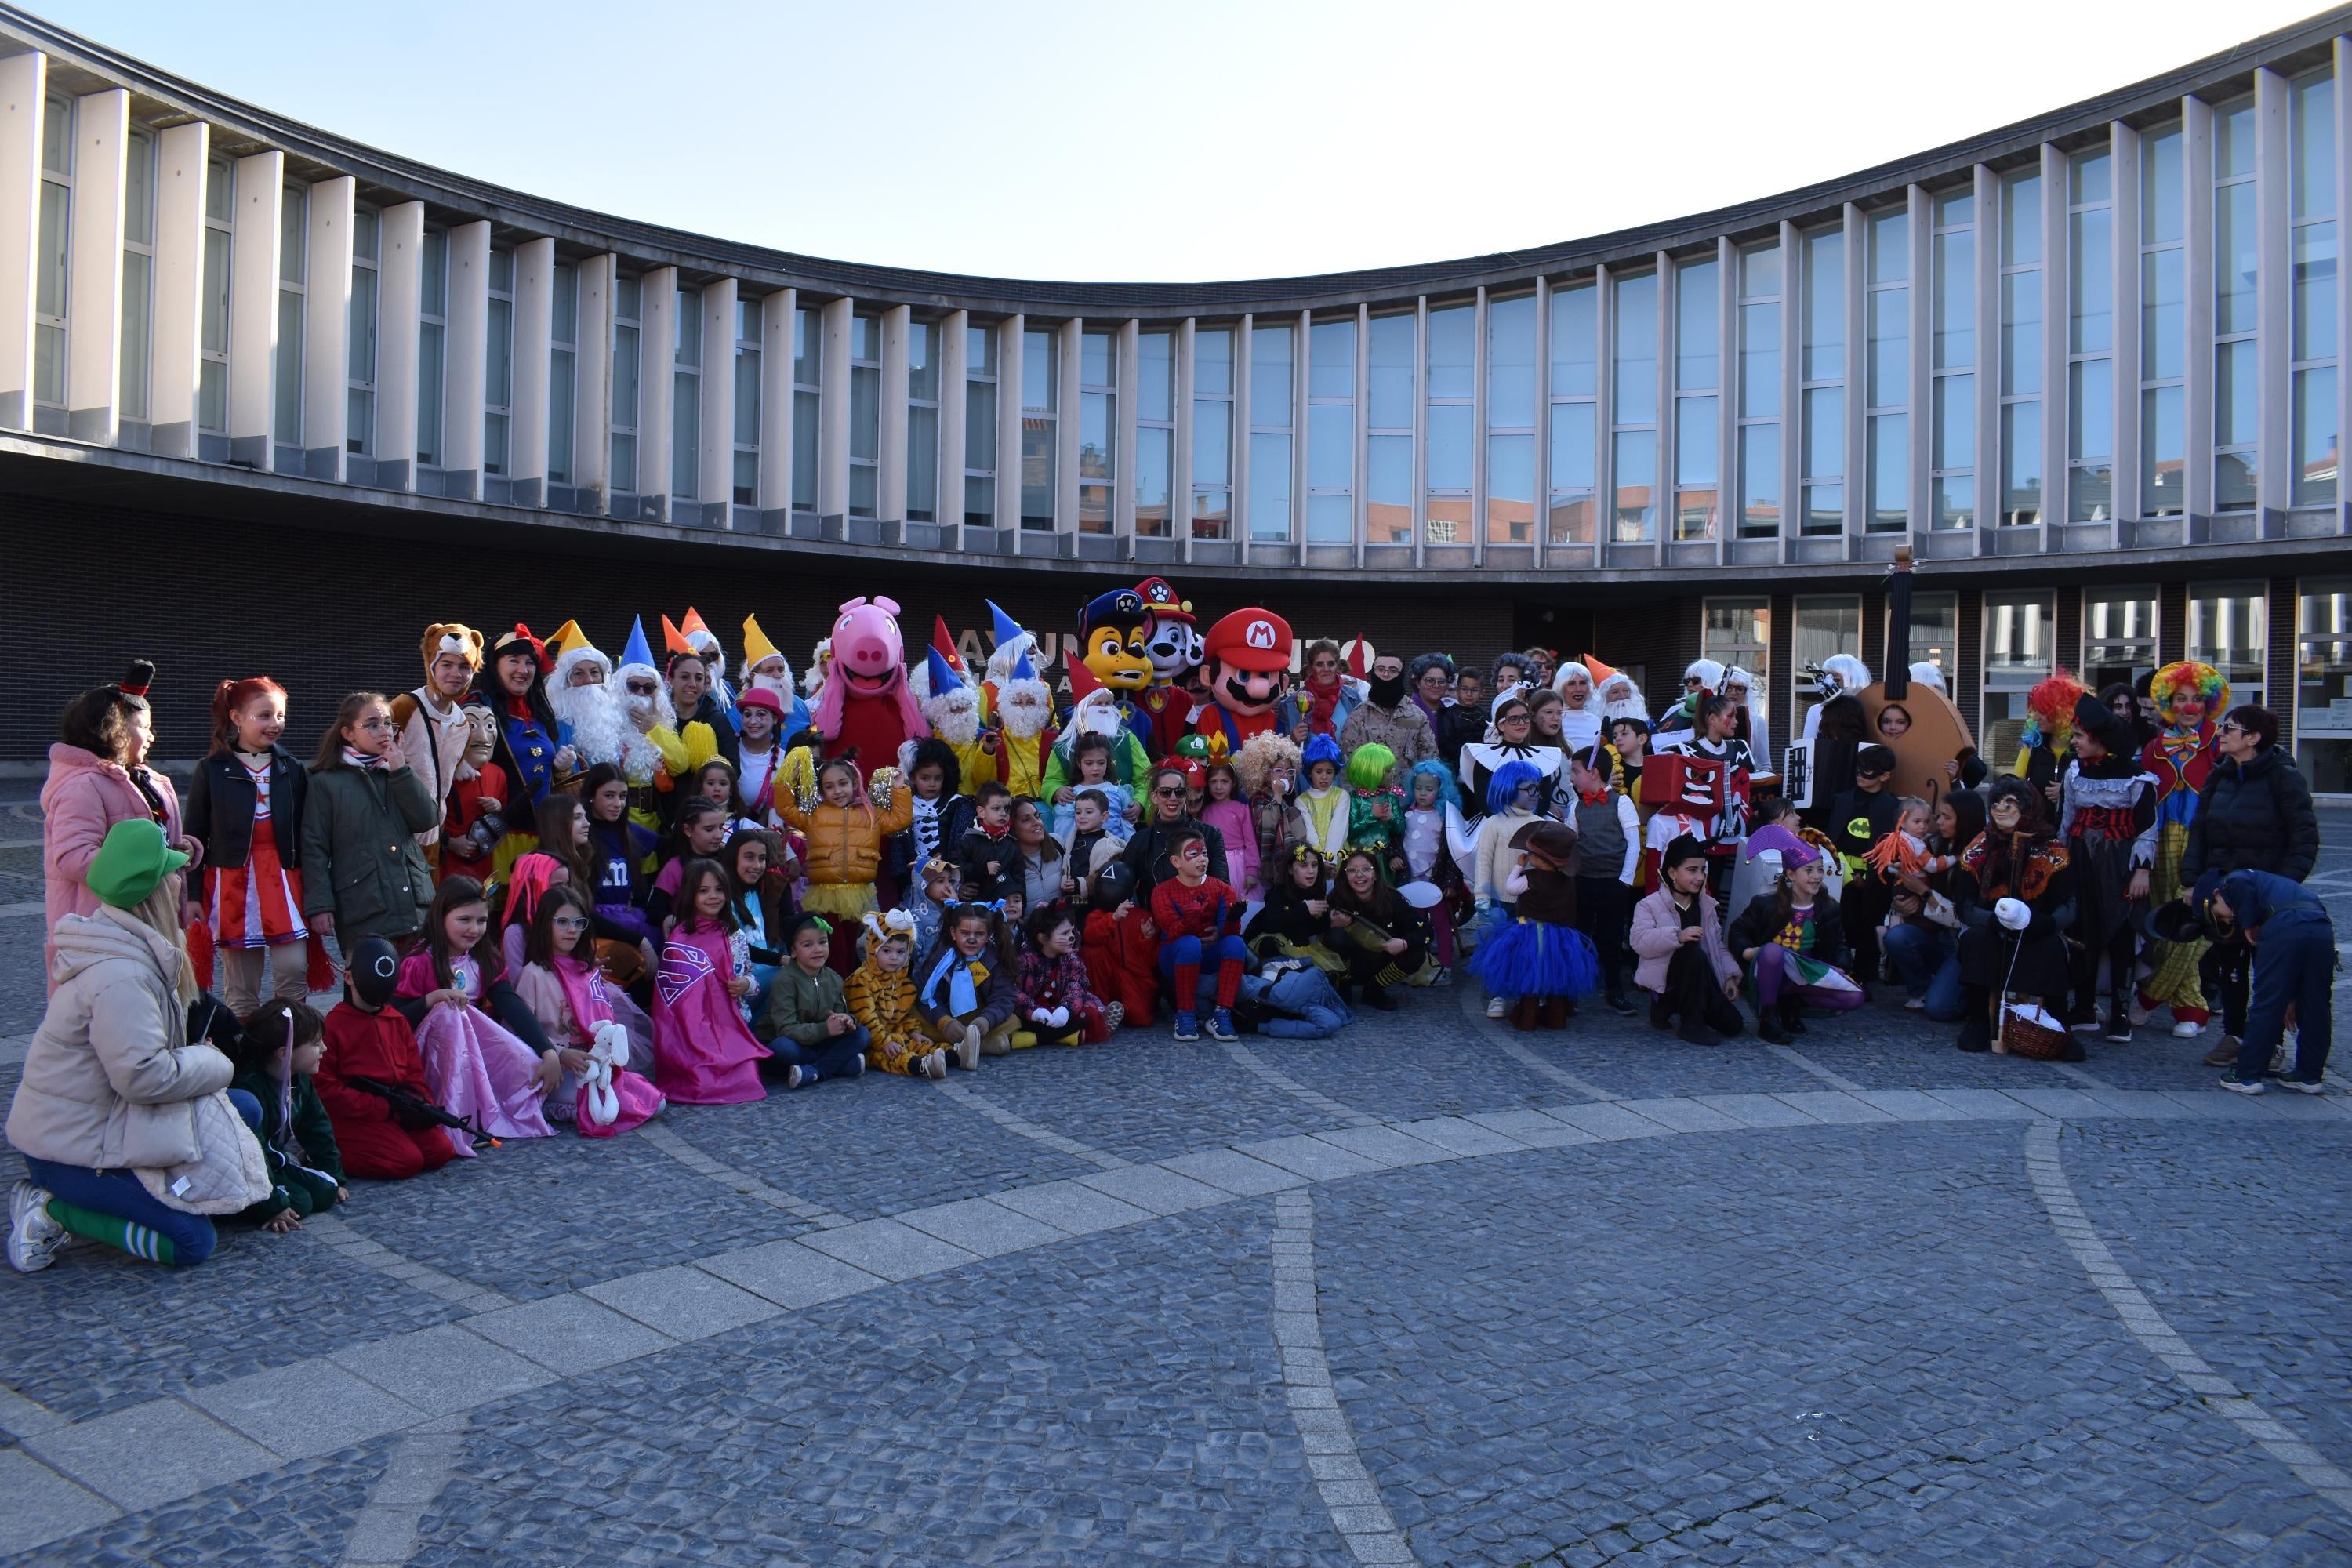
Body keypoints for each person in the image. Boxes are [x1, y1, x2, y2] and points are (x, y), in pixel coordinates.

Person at [8, 820, 263, 1272]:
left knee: (245, 1108)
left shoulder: (136, 948)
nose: (179, 881)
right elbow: (145, 1076)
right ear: (154, 892)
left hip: (116, 1122)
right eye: (172, 874)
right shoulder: (122, 977)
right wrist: (214, 1060)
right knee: (191, 1242)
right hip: (74, 1151)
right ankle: (48, 1207)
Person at [42, 660, 200, 990]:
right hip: (100, 932)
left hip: (153, 922)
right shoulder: (83, 785)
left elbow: (157, 841)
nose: (153, 736)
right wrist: (156, 865)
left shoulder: (151, 781)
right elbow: (74, 857)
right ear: (112, 728)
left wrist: (181, 849)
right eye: (144, 726)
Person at [2180, 703, 2321, 1068]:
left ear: (2254, 738)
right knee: (2230, 967)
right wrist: (2193, 881)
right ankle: (2235, 1033)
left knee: (2268, 970)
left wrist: (2280, 891)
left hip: (2266, 893)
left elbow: (2304, 839)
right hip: (2223, 891)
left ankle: (2270, 1042)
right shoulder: (2220, 774)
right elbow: (2200, 830)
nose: (2221, 733)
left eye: (2230, 728)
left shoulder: (2284, 778)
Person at [392, 877, 558, 1146]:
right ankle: (457, 1115)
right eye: (464, 920)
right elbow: (395, 1021)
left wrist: (546, 1050)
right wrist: (431, 1000)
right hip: (424, 1056)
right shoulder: (420, 960)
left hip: (471, 1048)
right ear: (441, 916)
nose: (474, 929)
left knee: (529, 1063)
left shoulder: (484, 959)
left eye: (481, 921)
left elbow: (510, 1003)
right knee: (451, 1012)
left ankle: (486, 1109)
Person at [190, 676, 317, 1014]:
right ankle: (246, 1059)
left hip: (286, 880)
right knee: (241, 986)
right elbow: (194, 838)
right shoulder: (212, 769)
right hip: (233, 883)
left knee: (293, 969)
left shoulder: (292, 768)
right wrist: (191, 895)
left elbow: (310, 834)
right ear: (236, 718)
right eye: (264, 716)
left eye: (280, 716)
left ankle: (291, 1050)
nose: (275, 724)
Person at [510, 885, 663, 1134]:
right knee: (597, 1106)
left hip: (593, 1063)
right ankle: (549, 1105)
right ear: (544, 924)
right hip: (557, 1066)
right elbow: (519, 1033)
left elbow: (600, 1018)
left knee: (656, 1103)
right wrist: (559, 1054)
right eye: (562, 922)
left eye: (578, 922)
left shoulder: (587, 969)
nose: (571, 930)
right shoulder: (534, 974)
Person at [301, 691, 440, 955]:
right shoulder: (325, 782)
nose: (384, 731)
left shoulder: (397, 771)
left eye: (388, 723)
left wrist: (401, 771)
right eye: (373, 724)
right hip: (364, 904)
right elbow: (314, 847)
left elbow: (426, 820)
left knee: (419, 984)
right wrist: (320, 906)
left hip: (415, 900)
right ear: (348, 733)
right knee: (370, 983)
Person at [314, 936, 461, 1180]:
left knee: (440, 1151)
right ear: (348, 977)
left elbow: (414, 1072)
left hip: (394, 1109)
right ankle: (326, 1153)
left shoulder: (396, 1020)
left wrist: (419, 1104)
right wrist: (380, 1108)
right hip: (356, 1115)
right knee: (406, 1161)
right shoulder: (335, 1025)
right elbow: (326, 1088)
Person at [2056, 695, 2158, 1043]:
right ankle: (2084, 1008)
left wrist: (2142, 870)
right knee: (2082, 929)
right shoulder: (2074, 771)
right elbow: (2067, 819)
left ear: (2100, 740)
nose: (2074, 741)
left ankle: (2120, 1012)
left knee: (2121, 931)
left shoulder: (2137, 778)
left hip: (2120, 862)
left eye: (2079, 736)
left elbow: (2146, 828)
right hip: (2082, 858)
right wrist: (2059, 859)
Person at [1954, 778, 2077, 1055]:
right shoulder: (1980, 847)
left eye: (2010, 803)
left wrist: (2046, 923)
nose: (2000, 809)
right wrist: (1990, 920)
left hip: (2037, 929)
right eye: (1996, 803)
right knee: (1976, 940)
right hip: (1992, 927)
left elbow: (2069, 903)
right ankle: (1979, 1021)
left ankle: (2057, 1024)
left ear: (2028, 807)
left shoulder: (2052, 848)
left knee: (2052, 948)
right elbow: (1963, 903)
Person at [2137, 660, 2227, 1037]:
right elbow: (2143, 804)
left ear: (2207, 704)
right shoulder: (2154, 747)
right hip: (2161, 840)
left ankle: (2148, 995)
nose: (2189, 707)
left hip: (2202, 840)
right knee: (2167, 919)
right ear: (2168, 703)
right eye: (2180, 699)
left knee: (2199, 917)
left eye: (2195, 699)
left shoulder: (2221, 744)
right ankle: (2192, 1008)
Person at [2194, 870, 2333, 1095]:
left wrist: (2249, 924)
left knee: (2266, 1005)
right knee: (2317, 1005)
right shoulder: (2274, 883)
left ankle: (2247, 1076)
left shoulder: (2232, 881)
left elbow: (2239, 883)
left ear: (2216, 896)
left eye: (2218, 915)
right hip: (2321, 927)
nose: (2228, 920)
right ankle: (2310, 1076)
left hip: (2285, 928)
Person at [776, 753, 914, 972]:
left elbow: (900, 820)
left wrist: (899, 788)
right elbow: (785, 809)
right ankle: (837, 989)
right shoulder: (814, 814)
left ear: (855, 783)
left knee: (859, 946)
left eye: (843, 784)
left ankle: (853, 991)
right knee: (835, 946)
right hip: (826, 893)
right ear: (821, 790)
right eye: (829, 787)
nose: (837, 791)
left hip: (861, 892)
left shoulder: (870, 814)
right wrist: (788, 780)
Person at [1727, 826, 1864, 1044]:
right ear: (1791, 874)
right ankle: (1768, 1018)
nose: (1817, 876)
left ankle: (1792, 1005)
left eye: (1820, 870)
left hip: (1803, 974)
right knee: (1773, 951)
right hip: (1767, 972)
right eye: (1808, 870)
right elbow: (1738, 930)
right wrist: (1747, 951)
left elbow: (1840, 944)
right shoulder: (1766, 903)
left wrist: (1840, 965)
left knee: (1855, 996)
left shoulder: (1829, 909)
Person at [651, 858, 771, 1103]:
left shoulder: (734, 935)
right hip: (690, 1033)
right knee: (701, 1082)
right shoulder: (679, 937)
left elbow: (751, 978)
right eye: (703, 891)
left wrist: (746, 984)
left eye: (719, 889)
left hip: (730, 1026)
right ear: (690, 895)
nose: (713, 897)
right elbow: (670, 997)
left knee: (748, 1078)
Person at [227, 1000, 343, 1231]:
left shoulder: (300, 1080)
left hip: (275, 1160)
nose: (324, 1049)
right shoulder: (250, 1088)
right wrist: (273, 1206)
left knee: (325, 1190)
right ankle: (245, 1206)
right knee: (302, 1201)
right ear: (284, 1053)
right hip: (245, 1168)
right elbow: (253, 1153)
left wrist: (334, 1174)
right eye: (315, 1043)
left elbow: (318, 1129)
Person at [1472, 822, 1601, 1029]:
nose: (1527, 856)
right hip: (1560, 937)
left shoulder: (1531, 878)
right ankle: (1556, 1018)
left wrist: (1518, 867)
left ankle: (1527, 1019)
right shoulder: (1567, 881)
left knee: (1530, 978)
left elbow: (1511, 888)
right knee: (1555, 980)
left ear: (1540, 859)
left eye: (1530, 854)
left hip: (1530, 935)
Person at [1629, 834, 1746, 1045]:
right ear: (1672, 872)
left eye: (1703, 870)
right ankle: (1690, 1024)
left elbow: (1717, 946)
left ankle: (1693, 1011)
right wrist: (1677, 936)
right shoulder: (1648, 904)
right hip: (1668, 983)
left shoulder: (1706, 906)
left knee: (1734, 1025)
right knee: (1692, 953)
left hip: (1699, 982)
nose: (1700, 877)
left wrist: (1729, 976)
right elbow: (1639, 941)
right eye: (1692, 870)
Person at [1878, 792, 1985, 1020]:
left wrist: (1922, 893)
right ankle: (1923, 988)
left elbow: (1963, 917)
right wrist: (1902, 902)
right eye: (1939, 816)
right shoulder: (1931, 843)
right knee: (1896, 937)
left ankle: (1965, 993)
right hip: (1933, 935)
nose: (1938, 823)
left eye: (1946, 817)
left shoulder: (1980, 857)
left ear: (1965, 819)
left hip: (1962, 944)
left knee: (1940, 1009)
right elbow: (1903, 877)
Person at [390, 624, 485, 866]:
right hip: (394, 832)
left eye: (464, 666)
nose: (456, 673)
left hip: (433, 835)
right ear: (431, 665)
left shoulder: (464, 724)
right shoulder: (404, 707)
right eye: (446, 665)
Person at [1150, 826, 1249, 1040]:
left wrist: (1232, 919)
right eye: (1193, 854)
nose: (1201, 859)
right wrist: (1192, 918)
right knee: (1189, 944)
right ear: (1176, 862)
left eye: (1204, 853)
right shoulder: (1162, 892)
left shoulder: (1222, 889)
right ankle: (1185, 1014)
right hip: (1176, 955)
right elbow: (1173, 930)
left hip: (1210, 954)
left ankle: (1222, 1013)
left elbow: (1228, 935)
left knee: (1236, 944)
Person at [1566, 743, 1642, 1015]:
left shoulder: (1621, 803)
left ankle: (1614, 990)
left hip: (1613, 882)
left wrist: (1625, 881)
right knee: (1579, 936)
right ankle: (1572, 990)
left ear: (1593, 773)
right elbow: (1570, 842)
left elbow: (1633, 844)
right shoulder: (1575, 807)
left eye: (1575, 772)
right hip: (1584, 881)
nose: (1572, 778)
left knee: (1610, 939)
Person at [757, 912, 872, 1087]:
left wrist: (847, 1021)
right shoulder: (785, 981)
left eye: (823, 942)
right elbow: (785, 1029)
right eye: (808, 945)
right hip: (791, 1043)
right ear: (794, 951)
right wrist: (825, 1029)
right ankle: (840, 1064)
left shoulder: (833, 978)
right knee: (783, 1048)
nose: (818, 949)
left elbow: (840, 1013)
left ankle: (814, 1072)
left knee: (862, 1034)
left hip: (819, 1042)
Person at [1827, 743, 1904, 987]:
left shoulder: (1891, 806)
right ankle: (1838, 969)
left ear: (1885, 776)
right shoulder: (1842, 799)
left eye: (1869, 770)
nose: (1861, 774)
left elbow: (1891, 847)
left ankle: (1865, 975)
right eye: (1860, 768)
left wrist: (1868, 877)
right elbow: (1831, 839)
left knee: (1870, 924)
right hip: (1842, 874)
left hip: (1874, 879)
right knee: (1841, 922)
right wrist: (1849, 874)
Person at [1326, 847, 1432, 1010]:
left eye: (1366, 869)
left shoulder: (1392, 899)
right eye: (1352, 870)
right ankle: (1343, 986)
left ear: (1375, 874)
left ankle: (1374, 990)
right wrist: (1331, 923)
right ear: (1345, 875)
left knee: (1416, 953)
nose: (1359, 875)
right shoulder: (1336, 897)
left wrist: (1404, 943)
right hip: (1350, 964)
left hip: (1383, 962)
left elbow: (1426, 932)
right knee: (1335, 936)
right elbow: (1316, 932)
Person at [847, 909, 948, 1077]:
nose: (894, 957)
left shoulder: (903, 984)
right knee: (892, 1056)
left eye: (901, 952)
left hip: (896, 1036)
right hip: (872, 1043)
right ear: (873, 949)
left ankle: (954, 1056)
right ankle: (922, 1066)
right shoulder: (861, 980)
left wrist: (914, 1031)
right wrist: (884, 1041)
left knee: (920, 1045)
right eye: (886, 951)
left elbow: (903, 1016)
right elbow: (866, 1019)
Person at [919, 902, 1020, 1059]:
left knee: (1014, 1020)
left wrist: (986, 1021)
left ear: (988, 936)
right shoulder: (941, 958)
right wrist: (944, 1022)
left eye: (979, 934)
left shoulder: (994, 960)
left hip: (980, 1022)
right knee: (915, 1014)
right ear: (953, 933)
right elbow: (928, 998)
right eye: (964, 933)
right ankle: (984, 1045)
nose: (971, 939)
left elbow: (1003, 998)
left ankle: (970, 1042)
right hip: (948, 1020)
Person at [1123, 765, 1231, 893]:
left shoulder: (1211, 834)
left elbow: (1223, 886)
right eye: (1165, 792)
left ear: (1186, 795)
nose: (1173, 798)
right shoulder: (1139, 841)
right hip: (1154, 912)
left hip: (1203, 911)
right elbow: (1123, 886)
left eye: (1179, 792)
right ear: (1154, 797)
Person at [1014, 903, 1111, 1047]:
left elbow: (1077, 986)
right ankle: (1061, 1036)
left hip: (1061, 1006)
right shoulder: (1026, 960)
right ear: (1043, 938)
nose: (1072, 937)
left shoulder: (1072, 959)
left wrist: (1066, 1009)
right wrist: (1033, 1011)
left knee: (1090, 1012)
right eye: (1065, 933)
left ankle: (1036, 1038)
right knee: (1014, 1019)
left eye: (1072, 932)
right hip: (1035, 1011)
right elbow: (1013, 991)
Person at [1082, 862, 1160, 1030]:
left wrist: (1147, 938)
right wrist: (1112, 919)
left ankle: (1115, 1013)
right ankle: (1100, 1009)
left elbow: (1151, 961)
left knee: (1140, 1018)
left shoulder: (1142, 917)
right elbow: (1089, 937)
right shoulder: (1097, 915)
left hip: (1133, 978)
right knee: (1091, 952)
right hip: (1106, 977)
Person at [724, 829, 793, 1018]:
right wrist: (781, 960)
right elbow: (738, 947)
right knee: (790, 975)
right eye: (749, 857)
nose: (757, 865)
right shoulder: (723, 897)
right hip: (741, 981)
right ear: (732, 857)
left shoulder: (755, 891)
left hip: (763, 976)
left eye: (762, 859)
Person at [1246, 844, 1345, 971]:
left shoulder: (1316, 892)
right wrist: (1304, 909)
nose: (1311, 871)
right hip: (1270, 946)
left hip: (1300, 946)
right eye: (1303, 865)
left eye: (1314, 865)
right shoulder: (1278, 893)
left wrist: (1330, 921)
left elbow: (1309, 929)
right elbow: (1270, 924)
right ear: (1291, 870)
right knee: (1270, 945)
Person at [1340, 652, 1436, 775]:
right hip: (1367, 792)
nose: (1385, 674)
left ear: (1401, 675)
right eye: (1380, 669)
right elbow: (1346, 762)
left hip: (1406, 792)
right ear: (1373, 672)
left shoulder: (1418, 716)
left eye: (1393, 670)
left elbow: (1430, 761)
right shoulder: (1358, 715)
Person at [1232, 732, 1301, 896]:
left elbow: (1299, 837)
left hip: (1287, 868)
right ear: (1264, 772)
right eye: (1279, 770)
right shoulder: (1259, 799)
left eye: (1289, 771)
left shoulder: (1288, 804)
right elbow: (1265, 827)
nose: (1285, 775)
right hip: (1269, 872)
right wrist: (1277, 796)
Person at [1232, 956, 1355, 1039]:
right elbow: (1315, 972)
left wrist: (1261, 1027)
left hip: (1268, 990)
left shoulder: (1320, 1006)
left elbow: (1327, 1024)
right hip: (1275, 982)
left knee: (1253, 989)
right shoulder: (1317, 992)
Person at [1280, 639, 1362, 742]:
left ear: (1338, 666)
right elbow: (1279, 751)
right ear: (1310, 668)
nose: (1326, 669)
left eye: (1331, 664)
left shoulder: (1353, 697)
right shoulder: (1290, 705)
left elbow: (1362, 740)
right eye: (1319, 664)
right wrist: (1291, 740)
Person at [1199, 761, 1258, 898]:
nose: (1218, 787)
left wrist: (1252, 871)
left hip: (1240, 866)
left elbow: (1250, 842)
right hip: (1215, 864)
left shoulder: (1242, 810)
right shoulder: (1205, 812)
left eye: (1224, 781)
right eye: (1213, 781)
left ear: (1233, 783)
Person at [732, 688, 788, 826]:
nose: (752, 721)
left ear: (775, 719)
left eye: (761, 714)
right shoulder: (728, 747)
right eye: (747, 714)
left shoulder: (785, 761)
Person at [1009, 797, 1069, 913]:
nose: (1036, 822)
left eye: (1037, 816)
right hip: (1027, 929)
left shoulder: (1058, 843)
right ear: (1012, 827)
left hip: (1062, 925)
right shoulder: (1007, 858)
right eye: (1026, 819)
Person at [1548, 661, 1602, 753]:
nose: (1578, 689)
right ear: (1561, 687)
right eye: (1571, 683)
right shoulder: (1553, 719)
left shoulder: (1597, 721)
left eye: (1583, 683)